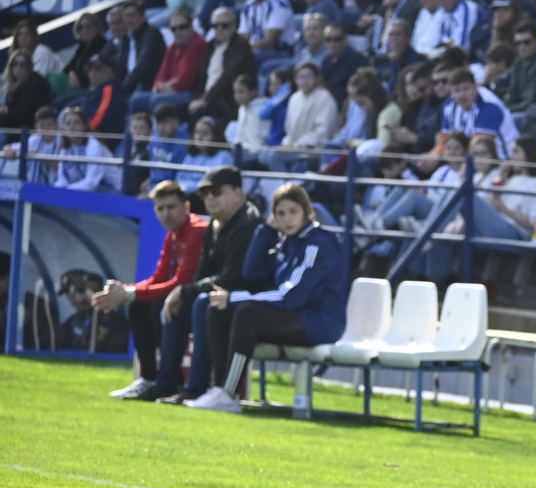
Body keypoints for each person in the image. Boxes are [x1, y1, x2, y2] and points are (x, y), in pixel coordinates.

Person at [190, 183, 349, 414]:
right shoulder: (287, 242)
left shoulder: (317, 245)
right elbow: (252, 272)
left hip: (320, 322)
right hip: (295, 317)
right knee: (218, 310)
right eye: (280, 214)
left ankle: (229, 392)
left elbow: (290, 297)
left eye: (293, 211)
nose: (287, 219)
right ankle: (219, 388)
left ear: (307, 211)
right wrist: (266, 229)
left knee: (246, 313)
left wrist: (233, 298)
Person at [155, 166, 270, 404]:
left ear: (238, 193)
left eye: (216, 192)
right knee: (174, 305)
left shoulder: (248, 224)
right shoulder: (215, 226)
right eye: (204, 194)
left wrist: (185, 290)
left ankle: (198, 387)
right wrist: (183, 293)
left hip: (250, 301)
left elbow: (233, 277)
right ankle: (165, 384)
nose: (209, 198)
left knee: (199, 302)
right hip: (223, 297)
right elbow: (203, 273)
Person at [98, 181, 210, 401]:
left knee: (158, 304)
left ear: (186, 207)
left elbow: (182, 281)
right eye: (160, 208)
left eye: (171, 207)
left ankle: (170, 382)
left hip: (199, 300)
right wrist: (127, 290)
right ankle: (149, 379)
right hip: (184, 298)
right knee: (139, 305)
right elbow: (158, 278)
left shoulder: (197, 231)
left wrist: (129, 293)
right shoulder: (173, 235)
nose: (166, 214)